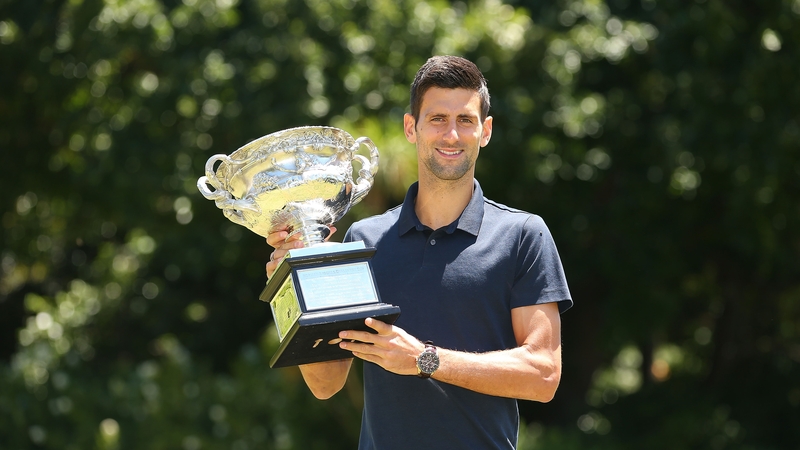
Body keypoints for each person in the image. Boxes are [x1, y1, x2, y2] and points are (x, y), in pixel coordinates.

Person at [266, 55, 572, 450]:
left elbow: (543, 375)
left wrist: (424, 360)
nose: (451, 135)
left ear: (486, 131)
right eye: (437, 119)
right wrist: (295, 281)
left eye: (465, 120)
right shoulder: (364, 239)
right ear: (412, 127)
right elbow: (326, 384)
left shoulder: (523, 235)